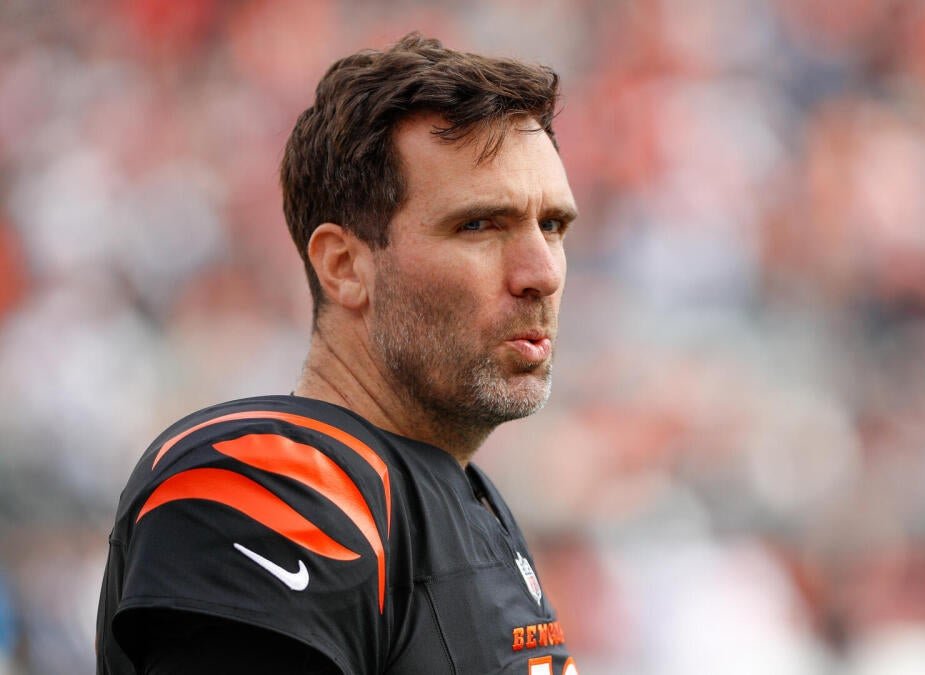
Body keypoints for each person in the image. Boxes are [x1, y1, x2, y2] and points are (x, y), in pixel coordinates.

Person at [96, 33, 580, 675]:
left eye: (552, 225)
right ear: (345, 266)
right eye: (478, 225)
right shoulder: (275, 480)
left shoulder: (464, 497)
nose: (541, 272)